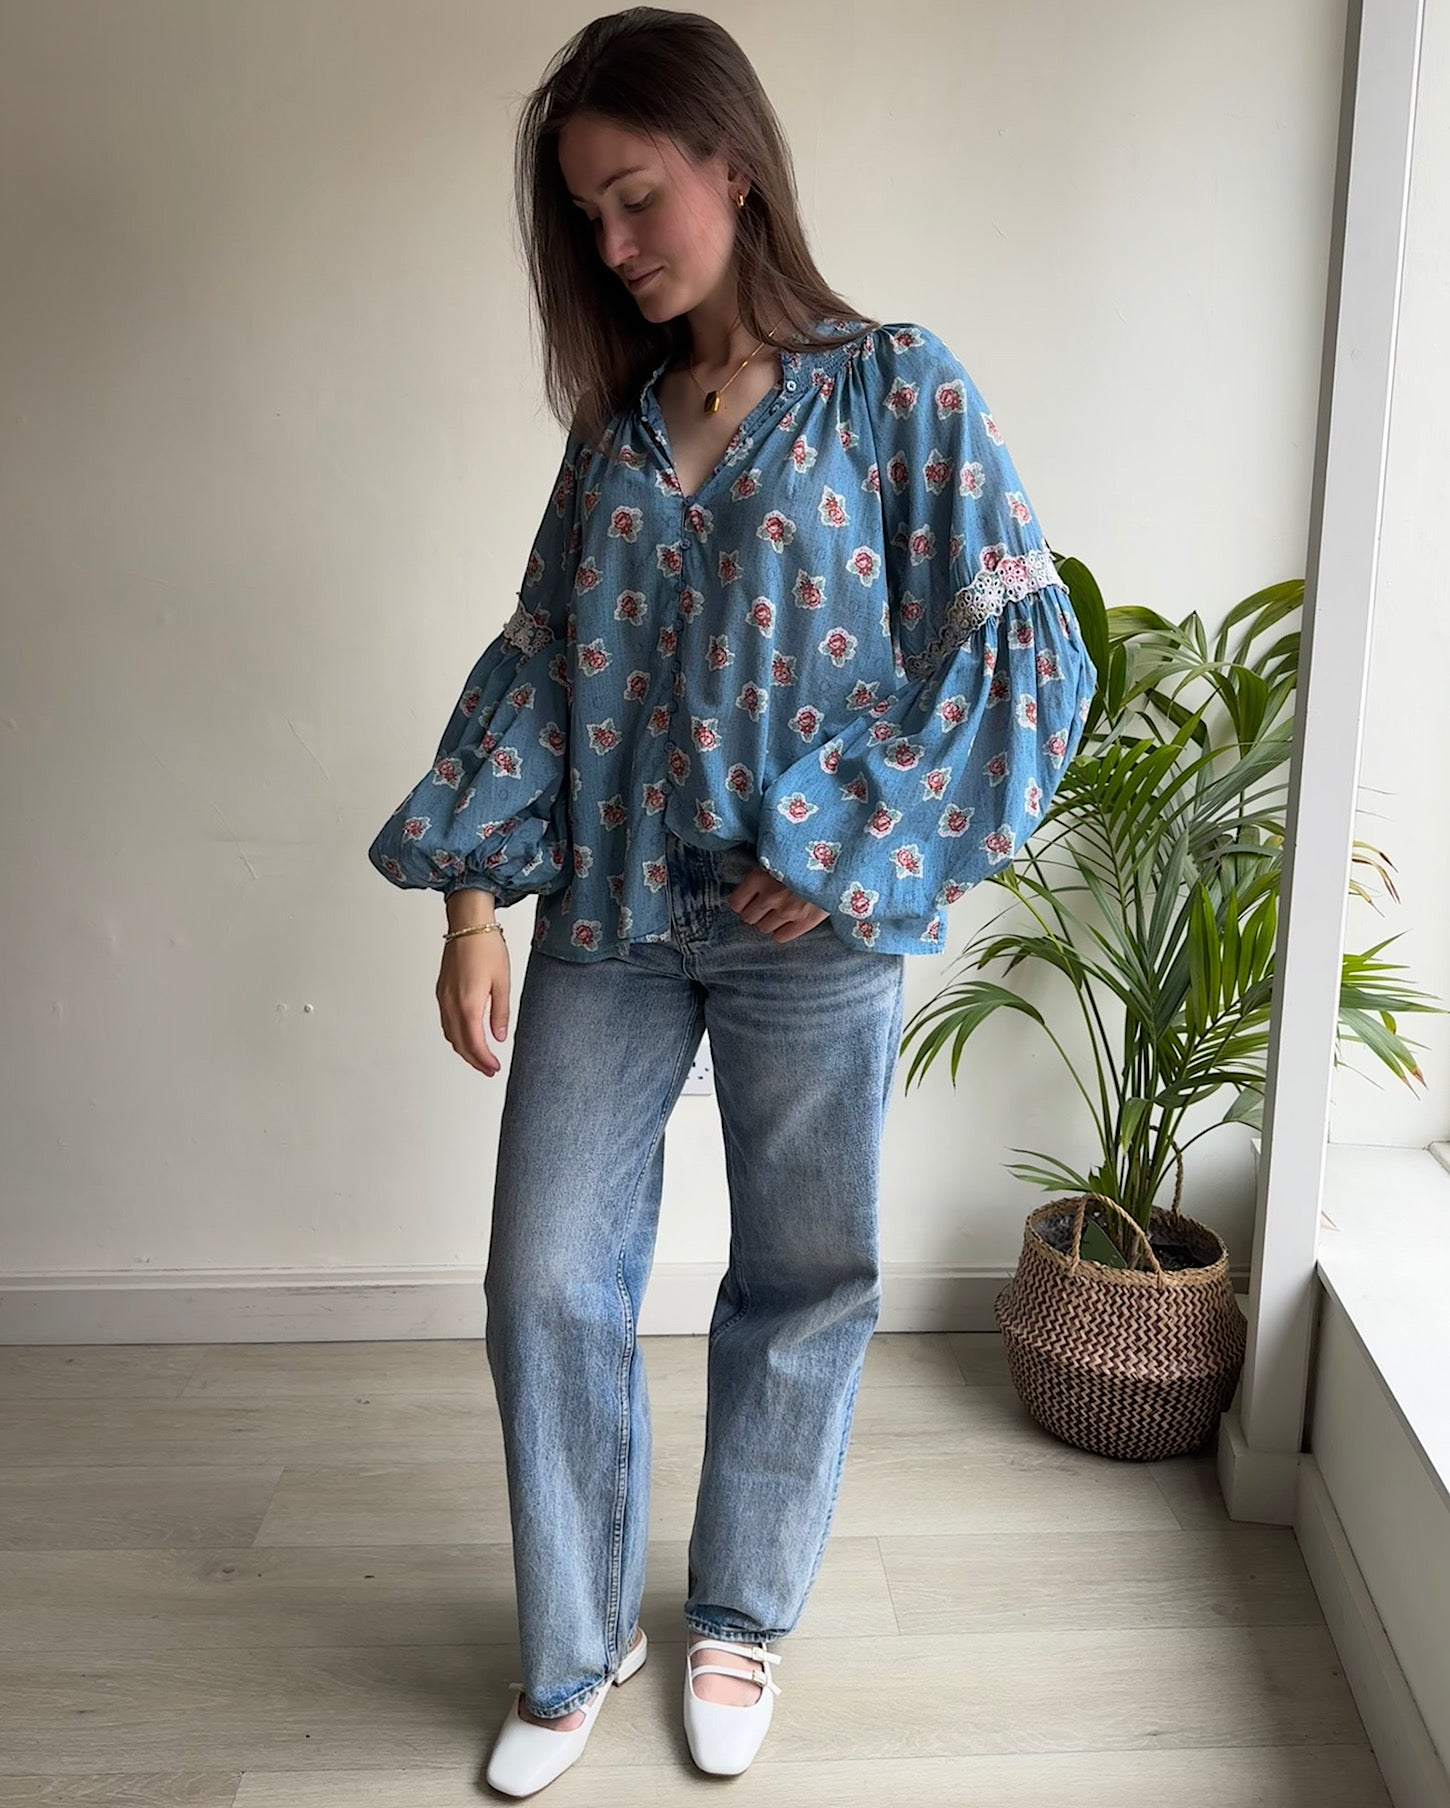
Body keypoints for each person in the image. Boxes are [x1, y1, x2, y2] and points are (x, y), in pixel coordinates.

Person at [367, 7, 1096, 1794]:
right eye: (585, 218)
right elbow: (540, 664)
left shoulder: (894, 385)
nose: (614, 245)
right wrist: (469, 908)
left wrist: (838, 845)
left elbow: (1020, 650)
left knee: (799, 1276)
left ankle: (740, 1616)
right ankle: (574, 1644)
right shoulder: (616, 426)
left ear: (733, 164)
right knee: (545, 1280)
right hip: (611, 916)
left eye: (635, 197)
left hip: (810, 940)